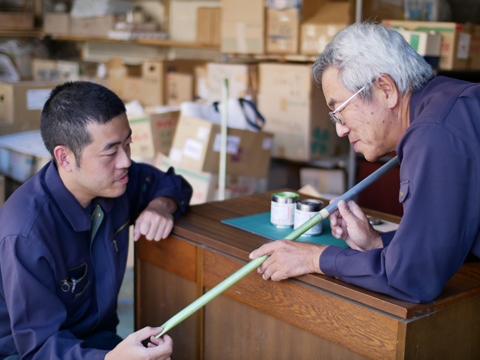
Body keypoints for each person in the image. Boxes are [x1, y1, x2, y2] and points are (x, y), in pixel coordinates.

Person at [250, 22, 480, 304]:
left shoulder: (434, 132)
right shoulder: (450, 100)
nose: (340, 130)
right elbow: (451, 237)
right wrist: (377, 242)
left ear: (385, 88)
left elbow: (414, 278)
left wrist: (314, 257)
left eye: (339, 111)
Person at [0, 81, 193, 359]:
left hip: (102, 343)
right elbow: (39, 348)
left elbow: (172, 183)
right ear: (64, 158)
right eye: (111, 152)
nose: (126, 161)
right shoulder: (26, 234)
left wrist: (161, 205)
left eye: (128, 144)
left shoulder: (116, 182)